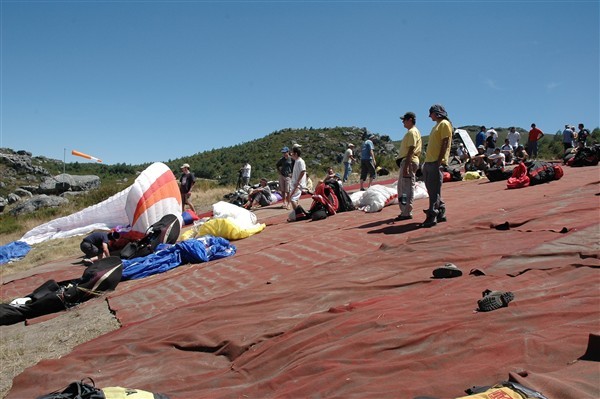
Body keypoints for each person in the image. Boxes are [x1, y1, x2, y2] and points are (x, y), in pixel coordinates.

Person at [422, 104, 453, 228]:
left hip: (435, 162)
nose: (430, 116)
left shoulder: (444, 124)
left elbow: (445, 143)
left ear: (437, 113)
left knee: (433, 191)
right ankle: (440, 212)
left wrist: (439, 161)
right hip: (430, 161)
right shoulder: (437, 126)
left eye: (431, 113)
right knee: (433, 190)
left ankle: (432, 215)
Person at [395, 111, 422, 221]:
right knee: (403, 187)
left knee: (406, 188)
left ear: (410, 120)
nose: (403, 122)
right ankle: (405, 210)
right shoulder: (412, 132)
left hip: (409, 162)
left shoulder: (412, 132)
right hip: (408, 162)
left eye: (404, 120)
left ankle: (406, 211)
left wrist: (406, 165)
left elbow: (411, 148)